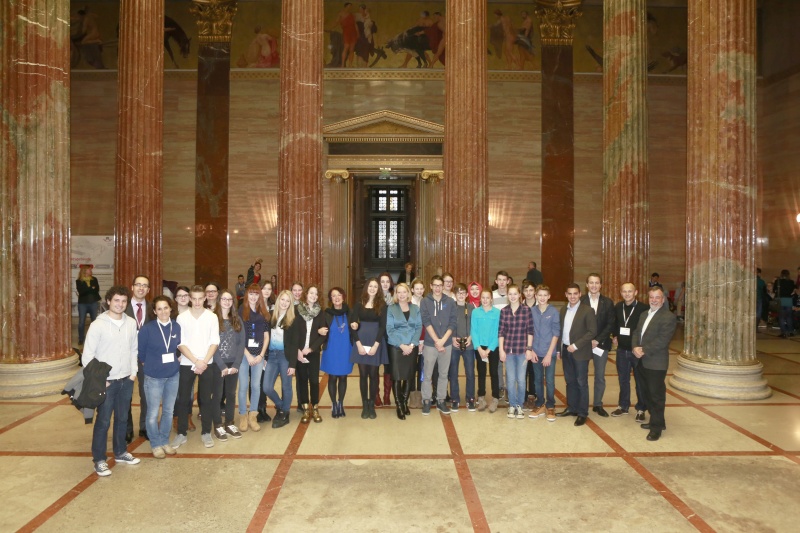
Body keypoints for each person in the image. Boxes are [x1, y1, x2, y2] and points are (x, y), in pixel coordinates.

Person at [83, 285, 140, 477]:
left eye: (124, 301)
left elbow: (133, 349)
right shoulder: (98, 325)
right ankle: (99, 460)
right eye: (116, 300)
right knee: (104, 421)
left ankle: (120, 452)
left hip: (126, 379)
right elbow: (87, 356)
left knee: (122, 418)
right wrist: (100, 380)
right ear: (108, 301)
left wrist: (133, 373)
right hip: (107, 382)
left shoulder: (131, 323)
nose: (120, 304)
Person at [173, 285, 220, 449]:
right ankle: (181, 433)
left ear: (205, 298)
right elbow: (180, 343)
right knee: (183, 399)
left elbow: (214, 341)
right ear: (190, 299)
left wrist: (203, 361)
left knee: (206, 399)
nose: (198, 302)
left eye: (201, 298)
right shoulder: (182, 318)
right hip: (187, 363)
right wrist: (195, 361)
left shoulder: (212, 317)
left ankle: (206, 432)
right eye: (194, 298)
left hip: (207, 363)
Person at [138, 295, 181, 458]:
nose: (163, 311)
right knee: (153, 413)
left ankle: (164, 441)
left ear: (171, 308)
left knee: (168, 411)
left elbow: (178, 347)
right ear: (154, 311)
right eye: (159, 309)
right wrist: (150, 365)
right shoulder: (147, 329)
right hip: (154, 377)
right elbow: (141, 353)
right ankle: (155, 444)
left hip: (173, 375)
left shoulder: (176, 327)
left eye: (166, 308)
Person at [633, 286, 678, 441]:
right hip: (642, 361)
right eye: (651, 297)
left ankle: (656, 428)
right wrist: (634, 347)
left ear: (663, 299)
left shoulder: (668, 317)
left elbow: (662, 340)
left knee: (656, 396)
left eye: (657, 297)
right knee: (646, 393)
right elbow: (636, 332)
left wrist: (643, 350)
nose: (654, 300)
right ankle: (657, 421)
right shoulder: (644, 314)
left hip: (656, 363)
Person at [555, 283, 597, 427]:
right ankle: (572, 407)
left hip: (580, 351)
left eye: (575, 293)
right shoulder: (563, 310)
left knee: (581, 382)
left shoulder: (588, 310)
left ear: (580, 294)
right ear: (566, 295)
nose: (572, 296)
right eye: (570, 294)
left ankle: (582, 413)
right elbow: (561, 331)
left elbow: (592, 331)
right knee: (570, 381)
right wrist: (559, 349)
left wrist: (576, 345)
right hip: (566, 350)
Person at [349, 278, 388, 419]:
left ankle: (372, 404)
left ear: (378, 290)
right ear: (366, 287)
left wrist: (376, 345)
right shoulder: (359, 304)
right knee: (363, 375)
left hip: (375, 341)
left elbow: (382, 327)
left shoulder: (382, 305)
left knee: (374, 374)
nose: (372, 288)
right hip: (361, 341)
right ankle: (365, 405)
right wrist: (358, 344)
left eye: (375, 287)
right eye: (370, 286)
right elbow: (353, 324)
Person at [419, 274, 457, 415]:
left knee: (443, 374)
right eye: (435, 285)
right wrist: (436, 341)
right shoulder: (425, 301)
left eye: (440, 285)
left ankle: (441, 400)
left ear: (443, 286)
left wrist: (443, 341)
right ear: (431, 286)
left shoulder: (450, 302)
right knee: (427, 374)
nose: (437, 288)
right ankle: (426, 400)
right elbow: (426, 321)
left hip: (446, 343)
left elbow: (453, 322)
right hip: (430, 344)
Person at [290, 285, 328, 423]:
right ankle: (305, 408)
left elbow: (323, 334)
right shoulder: (296, 310)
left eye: (316, 294)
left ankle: (315, 407)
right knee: (302, 380)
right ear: (306, 294)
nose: (313, 296)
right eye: (311, 293)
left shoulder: (320, 312)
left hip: (313, 352)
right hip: (299, 352)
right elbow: (292, 333)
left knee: (314, 380)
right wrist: (298, 350)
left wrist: (311, 349)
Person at [610, 283, 649, 421]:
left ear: (635, 292)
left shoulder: (643, 308)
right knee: (623, 380)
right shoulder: (618, 307)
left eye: (630, 291)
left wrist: (643, 346)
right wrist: (615, 335)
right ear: (621, 293)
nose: (627, 294)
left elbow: (646, 328)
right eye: (624, 291)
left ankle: (641, 409)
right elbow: (615, 323)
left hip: (637, 351)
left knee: (640, 381)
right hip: (622, 350)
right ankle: (623, 406)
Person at [385, 282, 423, 420]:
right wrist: (401, 345)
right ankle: (399, 406)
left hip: (412, 346)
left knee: (409, 375)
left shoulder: (415, 308)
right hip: (396, 347)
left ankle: (405, 402)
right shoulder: (391, 308)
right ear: (396, 294)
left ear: (408, 293)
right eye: (399, 292)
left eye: (404, 292)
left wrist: (412, 345)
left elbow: (419, 327)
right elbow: (389, 329)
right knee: (397, 376)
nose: (401, 294)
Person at [580, 273, 615, 417]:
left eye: (596, 283)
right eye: (591, 282)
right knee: (581, 376)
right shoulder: (580, 301)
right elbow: (577, 324)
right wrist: (588, 340)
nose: (594, 285)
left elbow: (610, 323)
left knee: (600, 376)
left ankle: (598, 404)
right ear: (587, 285)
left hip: (601, 344)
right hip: (584, 345)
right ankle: (582, 404)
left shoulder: (608, 302)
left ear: (600, 285)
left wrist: (597, 340)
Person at [212, 290, 244, 441]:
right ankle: (218, 424)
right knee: (218, 395)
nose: (226, 302)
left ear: (233, 302)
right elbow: (211, 344)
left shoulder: (237, 320)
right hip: (218, 364)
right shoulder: (213, 320)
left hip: (233, 363)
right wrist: (221, 365)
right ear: (219, 300)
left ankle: (229, 423)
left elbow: (241, 343)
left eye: (229, 299)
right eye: (224, 299)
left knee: (231, 394)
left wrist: (236, 364)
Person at [498, 285, 534, 419]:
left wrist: (529, 349)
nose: (512, 296)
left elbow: (530, 331)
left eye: (515, 294)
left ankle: (520, 405)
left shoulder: (526, 310)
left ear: (520, 295)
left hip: (522, 351)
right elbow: (501, 332)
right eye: (510, 294)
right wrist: (501, 350)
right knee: (511, 379)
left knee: (521, 379)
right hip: (508, 351)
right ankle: (512, 405)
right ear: (508, 295)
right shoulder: (504, 311)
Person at [238, 284, 270, 432]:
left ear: (259, 296)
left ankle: (253, 416)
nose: (253, 297)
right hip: (244, 354)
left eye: (256, 294)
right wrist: (248, 355)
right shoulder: (240, 311)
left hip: (258, 355)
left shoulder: (263, 312)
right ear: (247, 295)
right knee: (243, 386)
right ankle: (243, 415)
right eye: (251, 293)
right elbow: (238, 336)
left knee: (256, 386)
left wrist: (261, 355)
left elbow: (266, 336)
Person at [264, 290, 296, 428]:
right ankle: (281, 405)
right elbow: (265, 337)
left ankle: (285, 413)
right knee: (266, 387)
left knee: (286, 386)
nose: (284, 303)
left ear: (290, 304)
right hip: (272, 355)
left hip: (285, 356)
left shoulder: (293, 319)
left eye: (287, 301)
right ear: (278, 301)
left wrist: (292, 364)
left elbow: (294, 343)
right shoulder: (271, 316)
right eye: (282, 299)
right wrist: (265, 356)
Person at [528, 285, 560, 422]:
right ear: (536, 296)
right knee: (538, 380)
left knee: (550, 380)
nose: (542, 298)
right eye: (539, 295)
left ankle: (550, 405)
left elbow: (556, 334)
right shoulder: (531, 311)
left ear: (549, 296)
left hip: (549, 353)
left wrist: (548, 354)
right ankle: (540, 403)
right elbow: (528, 332)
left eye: (545, 295)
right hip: (536, 352)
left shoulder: (553, 312)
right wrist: (532, 350)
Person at [125, 275, 151, 442]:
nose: (141, 288)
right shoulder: (122, 306)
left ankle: (145, 426)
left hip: (146, 358)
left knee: (146, 394)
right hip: (125, 358)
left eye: (145, 286)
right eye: (138, 285)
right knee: (125, 395)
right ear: (132, 287)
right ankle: (127, 429)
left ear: (148, 290)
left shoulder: (153, 308)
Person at [320, 287, 353, 418]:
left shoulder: (350, 312)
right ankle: (334, 404)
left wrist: (357, 326)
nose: (337, 298)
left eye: (339, 295)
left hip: (345, 349)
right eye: (334, 296)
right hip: (331, 349)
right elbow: (319, 328)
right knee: (332, 377)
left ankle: (341, 403)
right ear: (331, 299)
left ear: (343, 297)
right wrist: (319, 331)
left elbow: (356, 328)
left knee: (343, 377)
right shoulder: (326, 313)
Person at [450, 283, 476, 412]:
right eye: (458, 293)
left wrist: (470, 337)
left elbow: (475, 326)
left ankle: (470, 398)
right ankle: (455, 398)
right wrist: (452, 338)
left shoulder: (472, 308)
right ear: (454, 295)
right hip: (454, 345)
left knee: (470, 373)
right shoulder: (451, 307)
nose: (461, 295)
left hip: (468, 345)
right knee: (453, 373)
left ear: (466, 294)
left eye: (463, 293)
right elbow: (447, 325)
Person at [408, 278, 427, 407]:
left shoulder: (426, 303)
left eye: (421, 288)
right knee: (411, 368)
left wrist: (423, 341)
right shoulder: (408, 303)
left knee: (422, 368)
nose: (419, 291)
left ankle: (419, 395)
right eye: (417, 289)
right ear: (412, 290)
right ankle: (411, 395)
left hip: (424, 340)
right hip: (411, 340)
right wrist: (414, 341)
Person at [492, 271, 510, 406]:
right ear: (496, 281)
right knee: (497, 363)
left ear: (508, 281)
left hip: (510, 335)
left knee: (509, 363)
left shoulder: (512, 295)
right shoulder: (492, 296)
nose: (502, 282)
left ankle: (509, 388)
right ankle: (499, 387)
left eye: (504, 279)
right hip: (496, 334)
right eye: (500, 279)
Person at [378, 272, 395, 406]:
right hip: (377, 335)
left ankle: (387, 395)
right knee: (375, 366)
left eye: (387, 281)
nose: (385, 284)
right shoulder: (374, 298)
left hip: (390, 336)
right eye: (382, 281)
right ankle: (376, 394)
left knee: (388, 366)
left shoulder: (395, 299)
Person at [76, 264, 101, 345]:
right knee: (81, 322)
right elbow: (81, 292)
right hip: (82, 304)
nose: (91, 271)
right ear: (85, 270)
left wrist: (88, 289)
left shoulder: (94, 279)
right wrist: (91, 288)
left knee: (95, 321)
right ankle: (81, 339)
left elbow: (96, 289)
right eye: (89, 269)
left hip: (93, 303)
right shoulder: (79, 281)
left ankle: (96, 338)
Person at [775, 269, 796, 338]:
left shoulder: (778, 281)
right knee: (789, 316)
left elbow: (774, 290)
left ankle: (783, 332)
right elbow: (792, 290)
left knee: (781, 317)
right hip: (788, 299)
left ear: (781, 274)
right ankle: (791, 332)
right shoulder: (791, 282)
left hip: (781, 299)